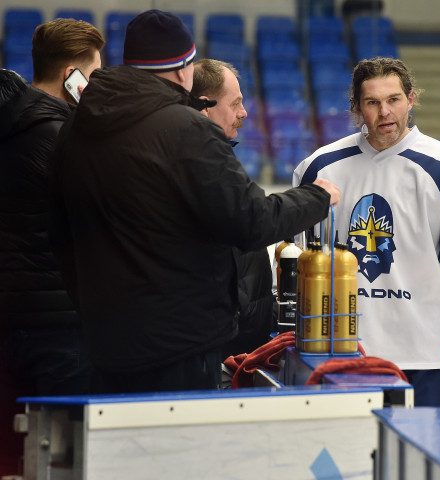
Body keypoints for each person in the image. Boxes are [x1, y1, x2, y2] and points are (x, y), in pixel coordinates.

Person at [49, 10, 340, 395]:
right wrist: (318, 196)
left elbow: (61, 236)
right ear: (184, 70)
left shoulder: (74, 129)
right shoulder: (185, 130)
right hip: (177, 348)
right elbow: (251, 220)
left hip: (105, 343)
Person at [292, 57, 440, 410]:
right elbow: (300, 263)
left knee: (426, 464)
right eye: (372, 103)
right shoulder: (319, 167)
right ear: (357, 108)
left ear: (410, 99)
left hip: (429, 355)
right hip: (345, 353)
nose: (384, 113)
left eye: (393, 100)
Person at [0, 17, 104, 475]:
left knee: (14, 455)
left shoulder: (9, 125)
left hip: (8, 318)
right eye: (95, 77)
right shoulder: (65, 139)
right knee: (68, 459)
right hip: (60, 324)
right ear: (72, 77)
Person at [191, 58, 274, 359]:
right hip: (220, 348)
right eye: (236, 103)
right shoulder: (199, 166)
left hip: (241, 345)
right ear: (206, 106)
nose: (244, 113)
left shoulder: (221, 158)